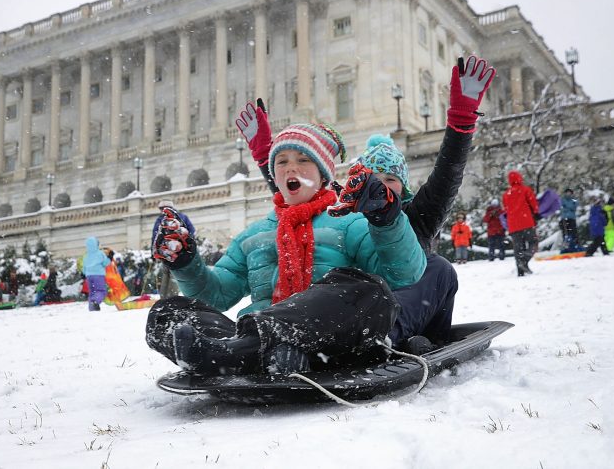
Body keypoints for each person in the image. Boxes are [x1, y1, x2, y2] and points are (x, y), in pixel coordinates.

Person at [228, 55, 496, 353]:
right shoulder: (348, 215)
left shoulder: (417, 215)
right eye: (374, 178)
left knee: (438, 268)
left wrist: (461, 122)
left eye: (390, 179)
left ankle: (401, 339)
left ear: (404, 187)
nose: (382, 185)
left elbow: (447, 177)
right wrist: (268, 156)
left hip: (405, 315)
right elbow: (299, 194)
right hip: (360, 316)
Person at [147, 122, 428, 375]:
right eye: (282, 161)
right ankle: (261, 352)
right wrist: (185, 263)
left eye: (303, 160)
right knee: (167, 312)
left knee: (369, 291)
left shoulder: (349, 223)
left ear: (322, 174)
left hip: (332, 343)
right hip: (255, 332)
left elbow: (404, 273)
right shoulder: (254, 235)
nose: (291, 168)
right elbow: (216, 295)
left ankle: (232, 354)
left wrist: (386, 219)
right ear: (275, 175)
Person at [502, 170, 540, 277]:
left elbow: (505, 209)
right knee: (534, 243)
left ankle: (520, 271)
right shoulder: (525, 190)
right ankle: (525, 259)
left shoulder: (506, 194)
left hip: (513, 225)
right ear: (520, 178)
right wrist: (536, 213)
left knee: (518, 248)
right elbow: (533, 203)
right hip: (526, 222)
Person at [83, 237, 110, 311]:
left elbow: (84, 268)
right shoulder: (100, 253)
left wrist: (87, 273)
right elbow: (106, 263)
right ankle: (96, 301)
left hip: (89, 276)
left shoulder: (86, 256)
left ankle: (92, 308)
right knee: (101, 291)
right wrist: (109, 258)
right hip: (98, 275)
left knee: (92, 292)